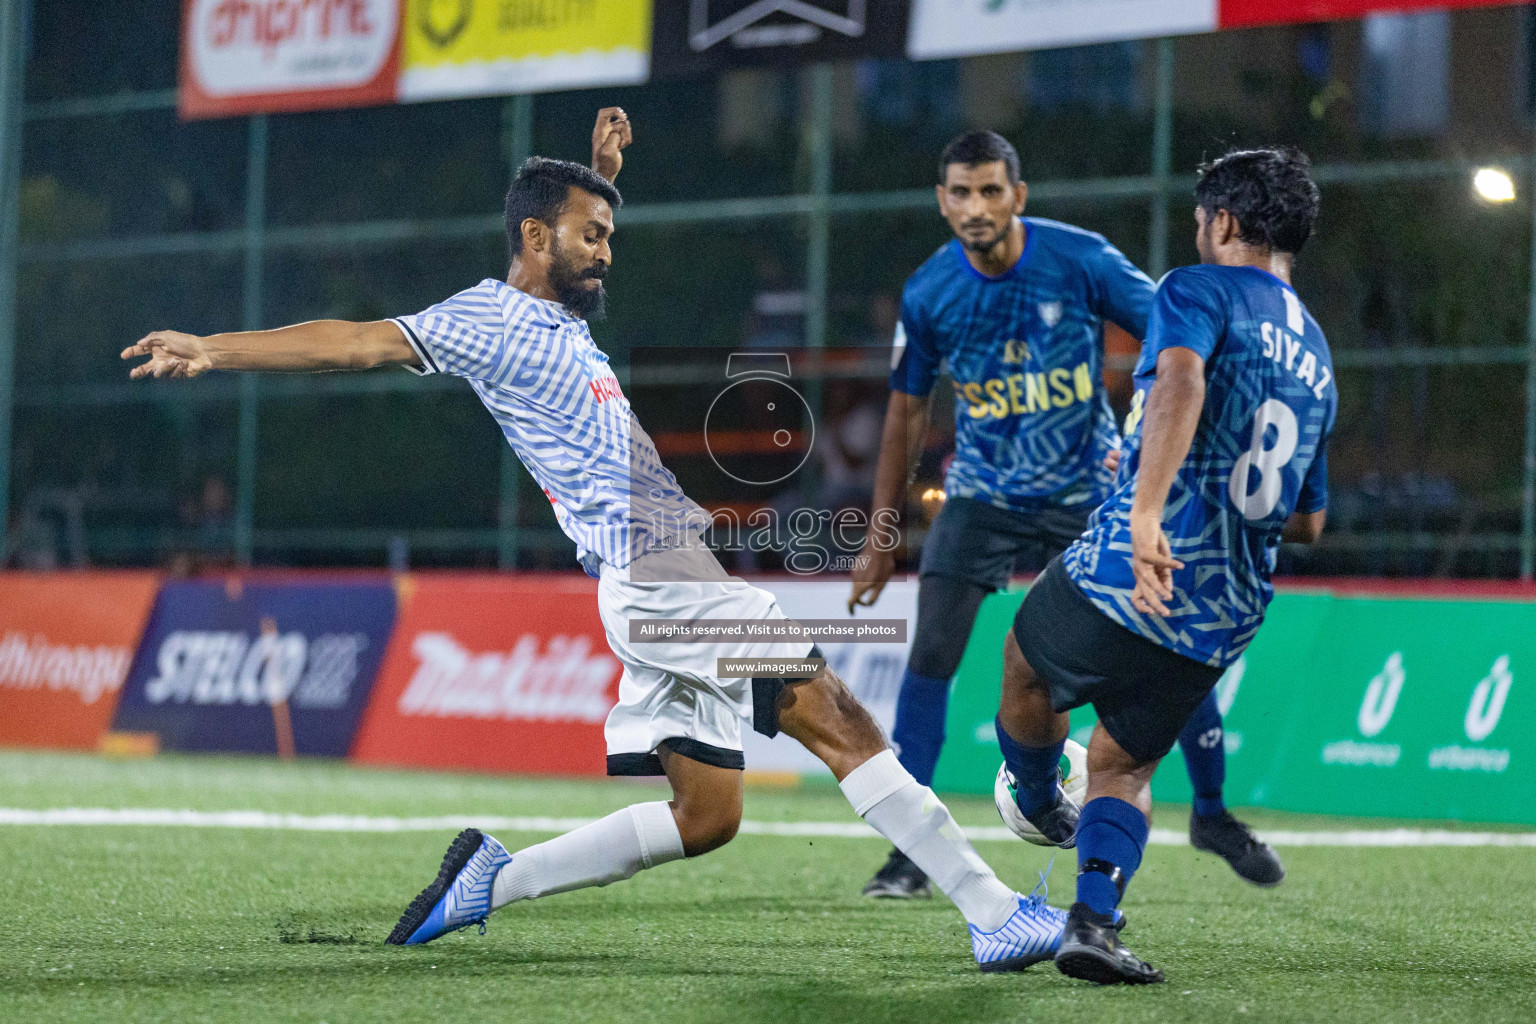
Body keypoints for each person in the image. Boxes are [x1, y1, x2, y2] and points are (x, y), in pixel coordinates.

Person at [121, 108, 1066, 972]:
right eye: (590, 235)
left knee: (708, 816)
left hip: (651, 582)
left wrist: (603, 175)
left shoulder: (560, 318)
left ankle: (492, 880)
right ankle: (990, 911)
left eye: (609, 235)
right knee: (841, 716)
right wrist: (216, 346)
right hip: (662, 581)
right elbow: (358, 340)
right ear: (534, 238)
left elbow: (575, 249)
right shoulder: (487, 319)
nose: (606, 252)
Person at [848, 129, 1280, 899]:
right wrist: (882, 535)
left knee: (1165, 634)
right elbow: (905, 414)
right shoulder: (929, 292)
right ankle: (910, 852)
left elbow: (1179, 332)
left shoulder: (1079, 259)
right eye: (960, 192)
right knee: (932, 653)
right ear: (941, 201)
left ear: (1018, 194)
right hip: (982, 494)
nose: (975, 206)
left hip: (1089, 490)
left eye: (990, 190)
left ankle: (1211, 812)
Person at [997, 147, 1333, 984]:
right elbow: (1311, 517)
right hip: (1226, 605)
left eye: (1199, 218)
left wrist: (1148, 508)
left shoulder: (1198, 288)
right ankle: (1094, 922)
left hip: (1138, 564)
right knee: (1124, 763)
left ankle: (1039, 800)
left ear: (1222, 222)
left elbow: (1180, 374)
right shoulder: (1320, 354)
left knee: (1024, 665)